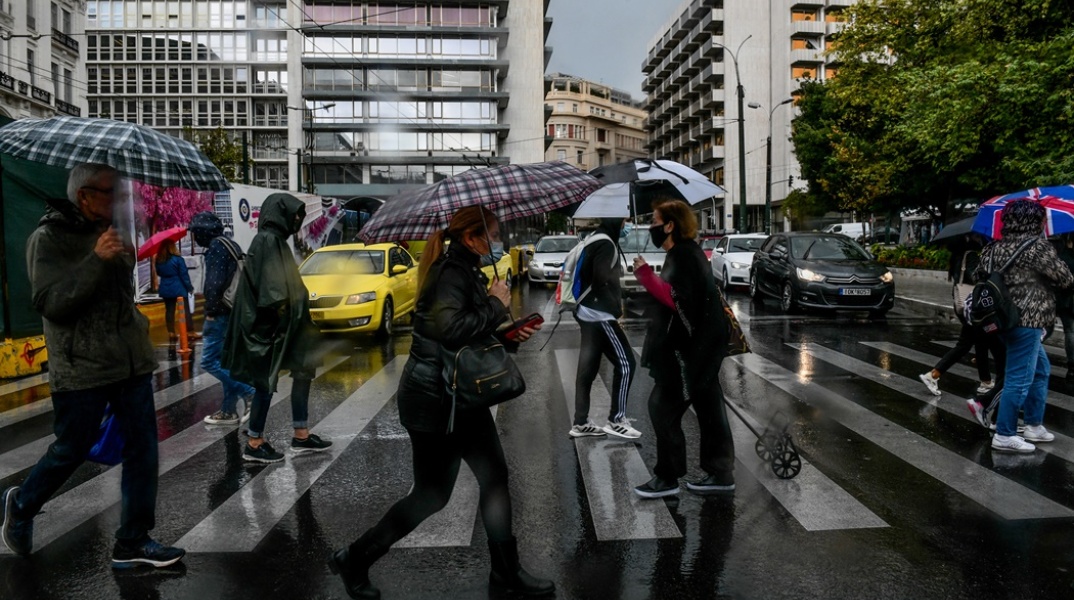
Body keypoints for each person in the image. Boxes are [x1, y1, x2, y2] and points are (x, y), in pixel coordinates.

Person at [328, 206, 553, 599]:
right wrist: (497, 304)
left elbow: (462, 336)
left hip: (451, 394)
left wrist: (507, 334)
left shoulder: (460, 269)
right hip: (438, 399)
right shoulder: (451, 272)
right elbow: (451, 330)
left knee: (485, 481)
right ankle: (355, 558)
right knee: (437, 493)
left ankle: (504, 573)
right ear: (471, 238)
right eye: (492, 235)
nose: (496, 243)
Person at [1, 163, 185, 568]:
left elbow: (121, 296)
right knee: (71, 449)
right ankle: (22, 504)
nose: (119, 199)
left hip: (129, 363)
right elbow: (51, 303)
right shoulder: (46, 239)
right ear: (83, 196)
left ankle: (133, 541)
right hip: (81, 368)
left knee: (143, 450)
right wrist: (96, 260)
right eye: (109, 192)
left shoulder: (114, 234)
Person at [631, 200, 735, 498]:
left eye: (654, 219)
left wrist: (646, 277)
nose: (651, 225)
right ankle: (720, 472)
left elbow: (677, 299)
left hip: (691, 352)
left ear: (669, 225)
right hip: (702, 348)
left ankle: (668, 478)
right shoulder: (685, 253)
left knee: (662, 407)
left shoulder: (684, 255)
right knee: (709, 408)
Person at [222, 193, 332, 463]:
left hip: (286, 326)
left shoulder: (275, 241)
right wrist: (285, 322)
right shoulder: (270, 241)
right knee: (265, 382)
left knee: (303, 369)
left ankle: (301, 434)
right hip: (273, 329)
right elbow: (274, 293)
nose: (298, 219)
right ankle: (255, 442)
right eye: (295, 214)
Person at [977, 200, 1073, 453]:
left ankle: (1033, 424)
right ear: (1035, 222)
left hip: (999, 319)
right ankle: (1005, 433)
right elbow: (1065, 278)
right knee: (1019, 378)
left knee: (1040, 370)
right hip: (1028, 320)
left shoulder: (992, 248)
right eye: (1041, 220)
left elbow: (979, 275)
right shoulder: (1038, 248)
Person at [570, 217, 639, 439]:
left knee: (588, 369)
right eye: (624, 220)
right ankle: (616, 419)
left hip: (586, 311)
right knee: (627, 363)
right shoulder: (606, 243)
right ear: (616, 220)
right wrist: (614, 296)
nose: (626, 224)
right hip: (599, 313)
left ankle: (580, 422)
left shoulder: (594, 238)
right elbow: (600, 277)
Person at [188, 211, 256, 425]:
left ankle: (249, 392)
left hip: (221, 312)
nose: (193, 237)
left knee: (209, 360)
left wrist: (210, 312)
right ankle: (228, 410)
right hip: (233, 311)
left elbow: (214, 283)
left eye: (194, 233)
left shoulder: (217, 247)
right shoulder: (230, 244)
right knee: (226, 361)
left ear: (202, 232)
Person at [155, 239, 196, 343]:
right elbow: (184, 275)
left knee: (169, 311)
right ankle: (189, 331)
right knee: (185, 309)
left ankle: (171, 332)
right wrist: (189, 287)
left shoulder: (159, 260)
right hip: (179, 287)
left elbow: (159, 272)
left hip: (165, 287)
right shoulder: (178, 259)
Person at [1053, 234, 1074, 378]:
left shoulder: (1063, 257)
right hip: (1068, 298)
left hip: (1066, 299)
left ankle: (1072, 366)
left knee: (1070, 330)